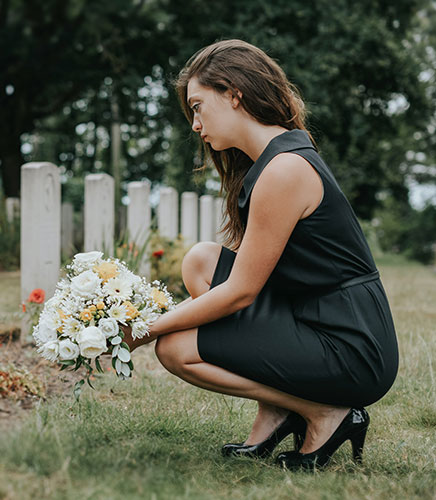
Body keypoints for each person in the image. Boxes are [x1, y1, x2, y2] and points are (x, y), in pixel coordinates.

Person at [122, 39, 399, 470]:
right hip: (311, 316)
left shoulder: (284, 169)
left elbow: (239, 293)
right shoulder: (270, 162)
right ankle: (278, 411)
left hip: (351, 346)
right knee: (200, 260)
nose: (195, 124)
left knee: (174, 348)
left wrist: (146, 329)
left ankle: (325, 413)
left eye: (198, 106)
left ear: (234, 94)